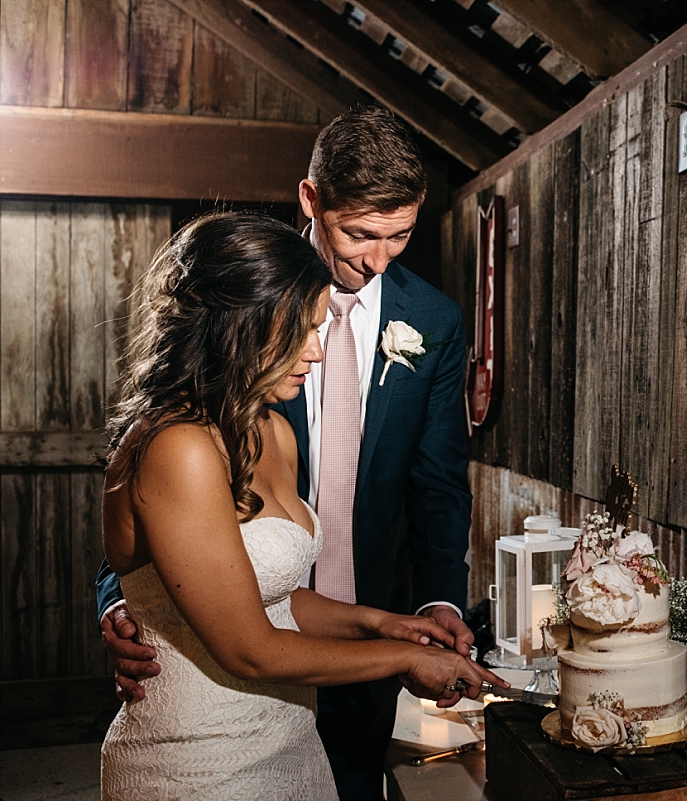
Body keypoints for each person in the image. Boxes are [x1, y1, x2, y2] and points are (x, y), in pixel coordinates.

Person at [98, 105, 482, 800]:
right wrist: (122, 604)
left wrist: (408, 618)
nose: (376, 260)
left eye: (399, 237)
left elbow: (437, 485)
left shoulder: (432, 323)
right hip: (211, 728)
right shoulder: (256, 301)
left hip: (319, 677)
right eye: (361, 233)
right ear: (312, 200)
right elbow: (157, 527)